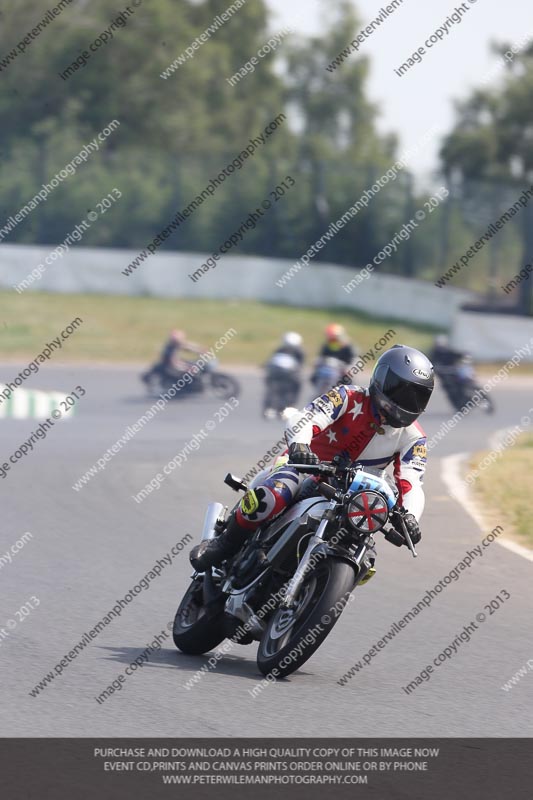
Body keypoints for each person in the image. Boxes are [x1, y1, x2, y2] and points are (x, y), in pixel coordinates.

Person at [190, 344, 434, 571]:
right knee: (273, 495)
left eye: (416, 397)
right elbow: (307, 418)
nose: (406, 403)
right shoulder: (347, 397)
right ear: (381, 379)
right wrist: (300, 446)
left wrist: (411, 516)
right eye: (399, 391)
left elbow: (412, 482)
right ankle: (224, 544)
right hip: (304, 467)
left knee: (367, 556)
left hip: (355, 494)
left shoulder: (415, 438)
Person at [263, 332, 305, 417]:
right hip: (289, 373)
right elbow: (300, 366)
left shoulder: (279, 349)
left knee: (272, 388)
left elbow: (270, 361)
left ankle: (269, 409)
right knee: (293, 388)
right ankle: (287, 408)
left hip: (274, 371)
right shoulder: (299, 352)